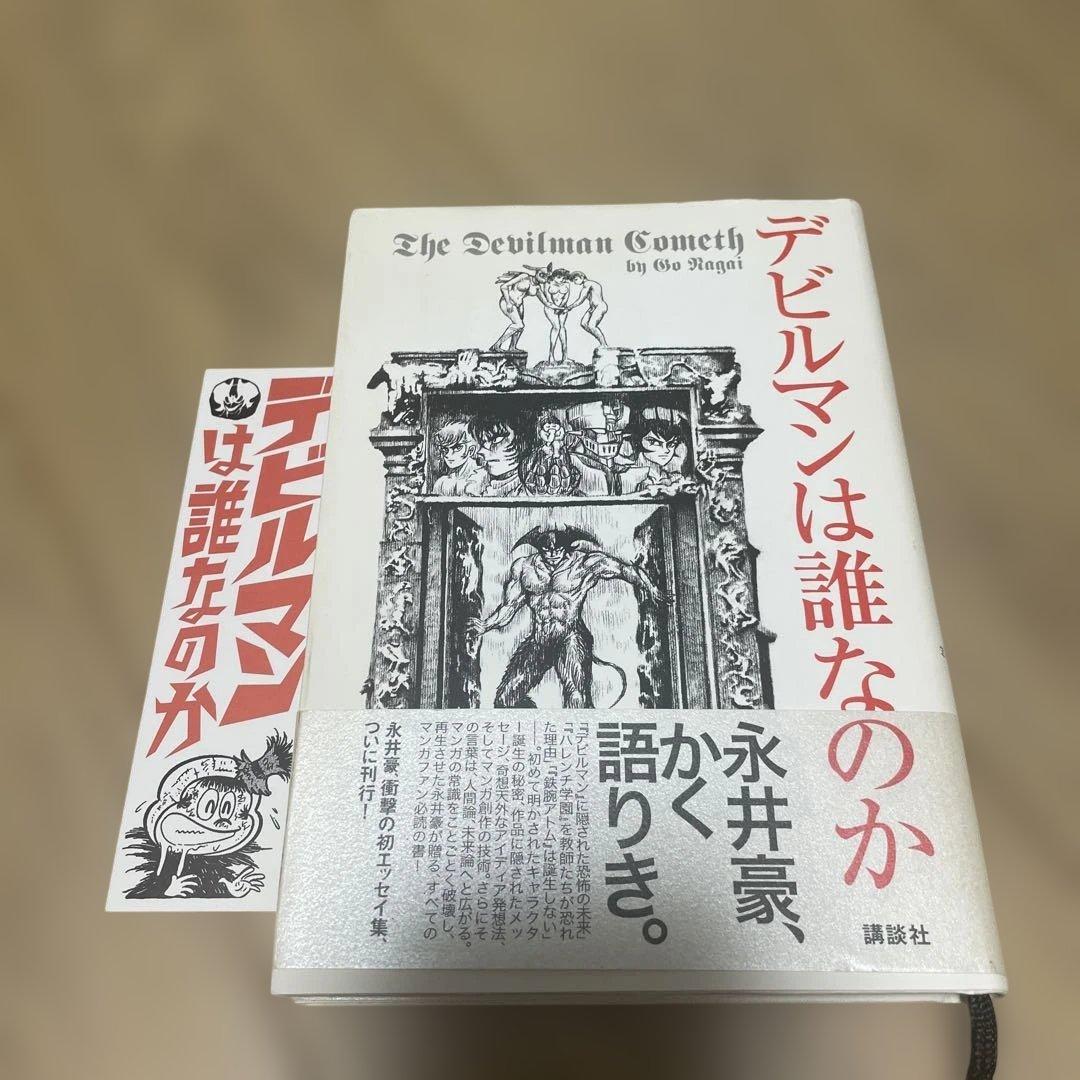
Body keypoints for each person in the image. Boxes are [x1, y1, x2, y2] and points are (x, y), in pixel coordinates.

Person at [470, 525, 664, 707]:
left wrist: (651, 587)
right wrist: (486, 625)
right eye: (547, 550)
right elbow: (509, 607)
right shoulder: (524, 567)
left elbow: (624, 570)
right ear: (538, 547)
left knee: (576, 698)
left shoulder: (584, 563)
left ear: (567, 546)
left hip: (570, 637)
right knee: (505, 700)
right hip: (539, 640)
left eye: (558, 549)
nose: (553, 554)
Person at [623, 407, 693, 495]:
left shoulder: (674, 468)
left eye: (671, 444)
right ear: (638, 441)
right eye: (655, 443)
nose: (666, 450)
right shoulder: (632, 471)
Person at [522, 411, 581, 495]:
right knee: (541, 470)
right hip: (546, 454)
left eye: (554, 426)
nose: (551, 428)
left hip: (559, 455)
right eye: (548, 426)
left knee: (561, 470)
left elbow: (562, 438)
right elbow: (548, 440)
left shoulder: (561, 437)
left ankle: (560, 489)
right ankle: (541, 489)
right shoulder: (543, 438)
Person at [469, 416, 526, 497]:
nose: (480, 452)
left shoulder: (529, 488)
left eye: (495, 440)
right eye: (482, 442)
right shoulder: (476, 485)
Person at [431, 419, 486, 495]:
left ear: (471, 450)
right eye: (445, 449)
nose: (448, 454)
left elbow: (474, 489)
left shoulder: (481, 476)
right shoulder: (442, 481)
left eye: (457, 448)